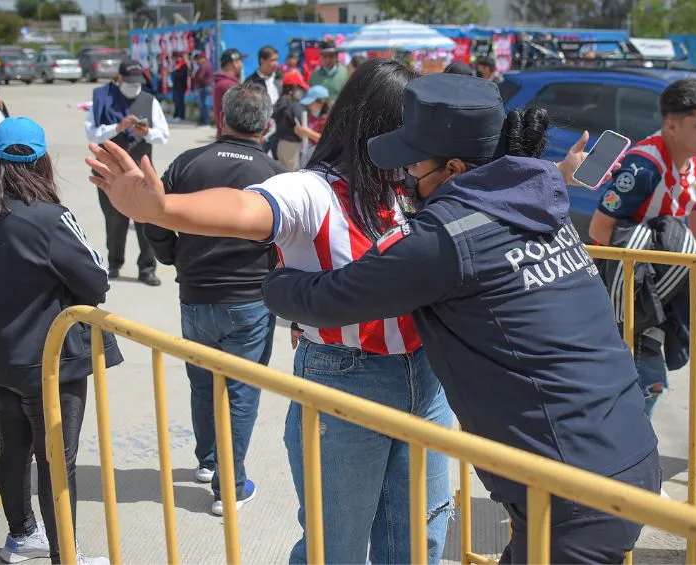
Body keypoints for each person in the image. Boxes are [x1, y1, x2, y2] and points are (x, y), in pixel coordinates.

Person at [261, 73, 661, 564]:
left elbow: (332, 298)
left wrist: (275, 281)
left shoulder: (449, 239)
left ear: (452, 167)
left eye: (414, 162)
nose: (404, 174)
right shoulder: (538, 201)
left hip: (571, 490)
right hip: (622, 453)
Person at [89, 59, 455, 565]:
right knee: (337, 548)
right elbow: (245, 210)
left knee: (421, 541)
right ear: (382, 126)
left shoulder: (414, 184)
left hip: (429, 381)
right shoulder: (314, 189)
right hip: (346, 383)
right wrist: (164, 210)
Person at [0, 117, 121, 565]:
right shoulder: (51, 217)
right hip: (49, 365)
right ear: (42, 161)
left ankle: (22, 535)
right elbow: (96, 281)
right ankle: (66, 555)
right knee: (57, 459)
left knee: (12, 445)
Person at [143, 83, 285, 516]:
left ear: (222, 118)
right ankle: (230, 486)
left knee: (203, 384)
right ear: (266, 124)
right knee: (239, 392)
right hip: (249, 299)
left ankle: (209, 463)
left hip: (196, 294)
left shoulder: (189, 162)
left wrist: (171, 256)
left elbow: (154, 212)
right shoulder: (275, 172)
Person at [588, 78, 696, 417]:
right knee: (643, 380)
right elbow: (599, 229)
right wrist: (646, 279)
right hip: (626, 289)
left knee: (644, 382)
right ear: (671, 125)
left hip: (662, 286)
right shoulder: (643, 167)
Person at [85, 60, 169, 286]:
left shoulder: (150, 101)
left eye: (137, 82)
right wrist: (118, 128)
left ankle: (147, 268)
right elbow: (91, 134)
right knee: (114, 220)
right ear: (119, 78)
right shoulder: (102, 99)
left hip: (141, 172)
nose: (133, 86)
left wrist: (147, 132)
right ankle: (114, 263)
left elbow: (163, 135)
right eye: (129, 81)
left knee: (146, 219)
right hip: (109, 172)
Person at [245, 46, 281, 158]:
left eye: (277, 60)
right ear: (262, 61)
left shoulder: (280, 78)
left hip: (280, 132)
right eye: (272, 60)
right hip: (261, 133)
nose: (276, 63)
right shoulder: (251, 82)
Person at [272, 73, 311, 171]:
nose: (301, 92)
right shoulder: (294, 104)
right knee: (292, 176)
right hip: (292, 147)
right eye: (300, 88)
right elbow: (303, 121)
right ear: (293, 88)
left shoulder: (280, 102)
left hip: (280, 144)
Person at [213, 49, 246, 133]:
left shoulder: (225, 83)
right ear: (235, 63)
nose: (242, 64)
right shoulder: (228, 85)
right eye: (240, 61)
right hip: (232, 138)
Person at [191, 51, 214, 127]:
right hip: (205, 87)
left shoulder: (204, 65)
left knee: (203, 105)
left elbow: (200, 77)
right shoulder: (206, 64)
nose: (197, 63)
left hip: (204, 87)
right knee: (203, 105)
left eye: (197, 61)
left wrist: (195, 77)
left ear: (201, 59)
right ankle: (203, 121)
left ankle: (206, 122)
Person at [170, 51, 189, 123]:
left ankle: (181, 116)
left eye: (175, 58)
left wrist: (173, 72)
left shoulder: (184, 65)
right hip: (175, 86)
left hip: (181, 87)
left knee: (180, 102)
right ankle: (176, 115)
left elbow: (181, 75)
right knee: (176, 101)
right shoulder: (177, 64)